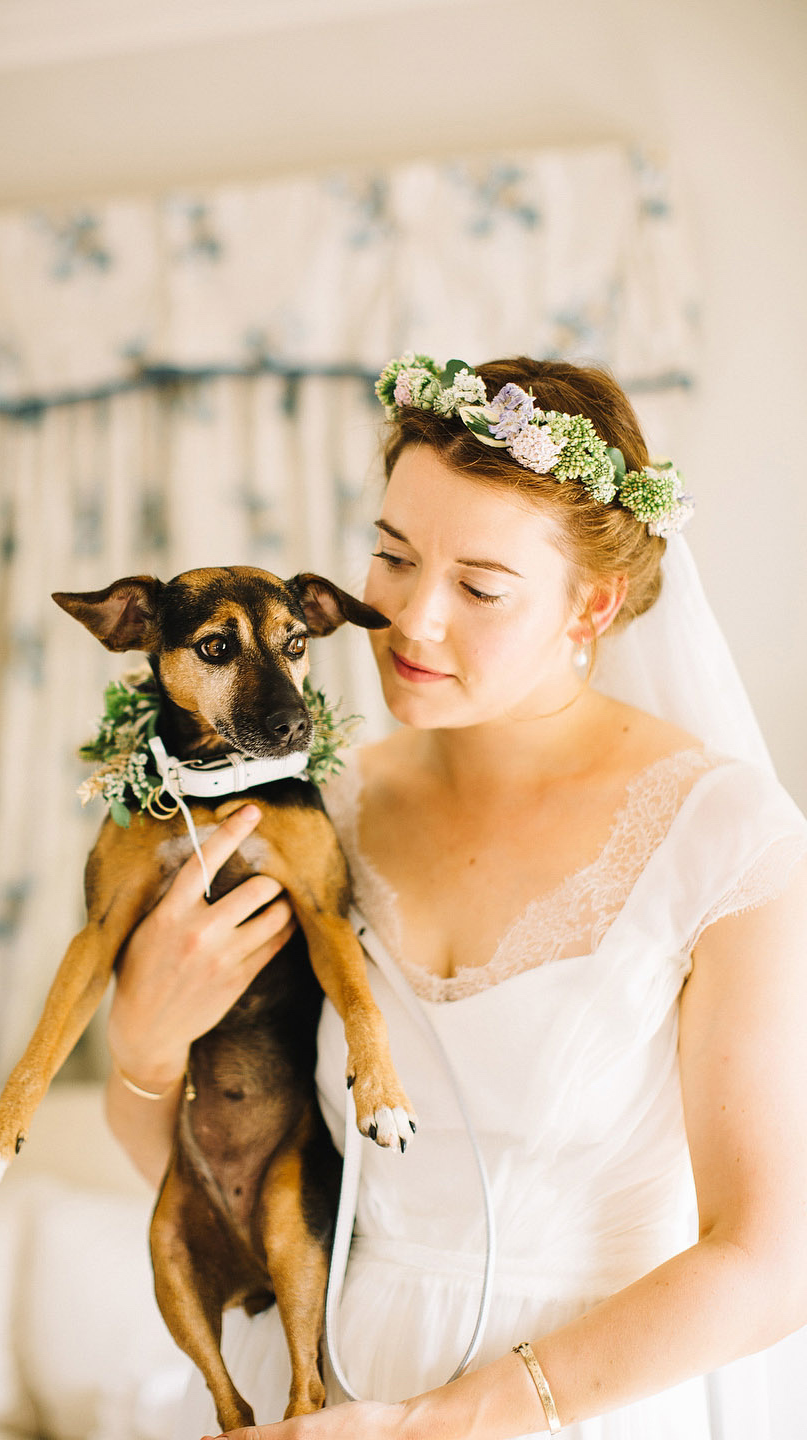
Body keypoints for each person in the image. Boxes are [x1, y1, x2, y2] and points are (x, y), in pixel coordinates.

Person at [102, 356, 807, 1440]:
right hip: (329, 1388)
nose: (411, 621)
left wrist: (438, 1422)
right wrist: (145, 1052)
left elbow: (772, 1262)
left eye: (479, 587)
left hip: (586, 1406)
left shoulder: (723, 837)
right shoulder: (313, 813)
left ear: (595, 602)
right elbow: (228, 1160)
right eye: (391, 556)